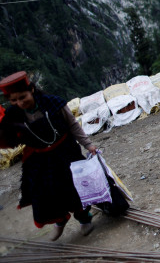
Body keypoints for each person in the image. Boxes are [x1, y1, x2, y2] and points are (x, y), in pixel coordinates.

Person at [0, 71, 98, 241]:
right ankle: (59, 222)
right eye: (14, 100)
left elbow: (73, 125)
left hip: (65, 153)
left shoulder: (54, 104)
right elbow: (9, 139)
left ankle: (84, 219)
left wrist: (88, 144)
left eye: (23, 97)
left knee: (74, 189)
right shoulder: (13, 115)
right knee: (47, 195)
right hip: (39, 159)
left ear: (32, 89)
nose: (20, 103)